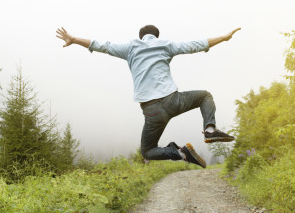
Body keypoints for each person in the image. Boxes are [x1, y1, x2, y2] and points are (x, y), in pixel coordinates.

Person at [55, 25, 240, 168]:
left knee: (148, 152)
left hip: (151, 111)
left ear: (141, 37)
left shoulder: (130, 48)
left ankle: (180, 153)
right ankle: (209, 130)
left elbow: (102, 46)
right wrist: (223, 38)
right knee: (205, 96)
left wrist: (74, 39)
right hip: (173, 101)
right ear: (156, 36)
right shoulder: (165, 45)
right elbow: (195, 45)